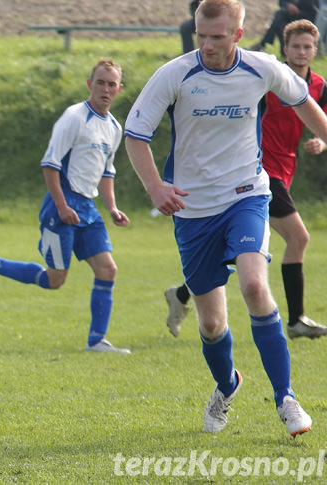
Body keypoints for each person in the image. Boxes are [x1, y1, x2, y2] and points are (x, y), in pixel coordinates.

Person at [125, 0, 327, 437]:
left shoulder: (262, 67)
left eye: (217, 37)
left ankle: (286, 398)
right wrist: (156, 188)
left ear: (237, 34)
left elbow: (305, 103)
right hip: (193, 210)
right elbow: (135, 134)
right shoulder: (175, 74)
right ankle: (226, 384)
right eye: (201, 35)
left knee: (255, 285)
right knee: (212, 324)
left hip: (246, 195)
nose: (207, 45)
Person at [164, 19, 327, 341]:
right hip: (256, 172)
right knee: (298, 239)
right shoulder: (268, 78)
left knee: (239, 249)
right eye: (295, 46)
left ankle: (182, 294)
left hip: (285, 169)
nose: (301, 51)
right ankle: (296, 320)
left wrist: (321, 142)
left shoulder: (319, 87)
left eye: (307, 46)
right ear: (284, 48)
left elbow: (320, 124)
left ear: (316, 50)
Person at [0, 59, 132, 354]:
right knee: (55, 280)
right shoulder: (75, 117)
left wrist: (113, 207)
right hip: (61, 207)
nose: (106, 89)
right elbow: (50, 165)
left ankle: (96, 341)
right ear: (90, 84)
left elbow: (106, 173)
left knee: (108, 270)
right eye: (100, 82)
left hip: (88, 209)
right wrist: (62, 206)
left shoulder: (114, 128)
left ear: (119, 89)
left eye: (111, 84)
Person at [249, 0, 318, 53]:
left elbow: (314, 15)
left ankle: (263, 44)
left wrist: (298, 12)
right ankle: (284, 51)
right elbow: (281, 2)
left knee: (279, 15)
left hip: (305, 19)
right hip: (289, 17)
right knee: (281, 23)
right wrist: (288, 5)